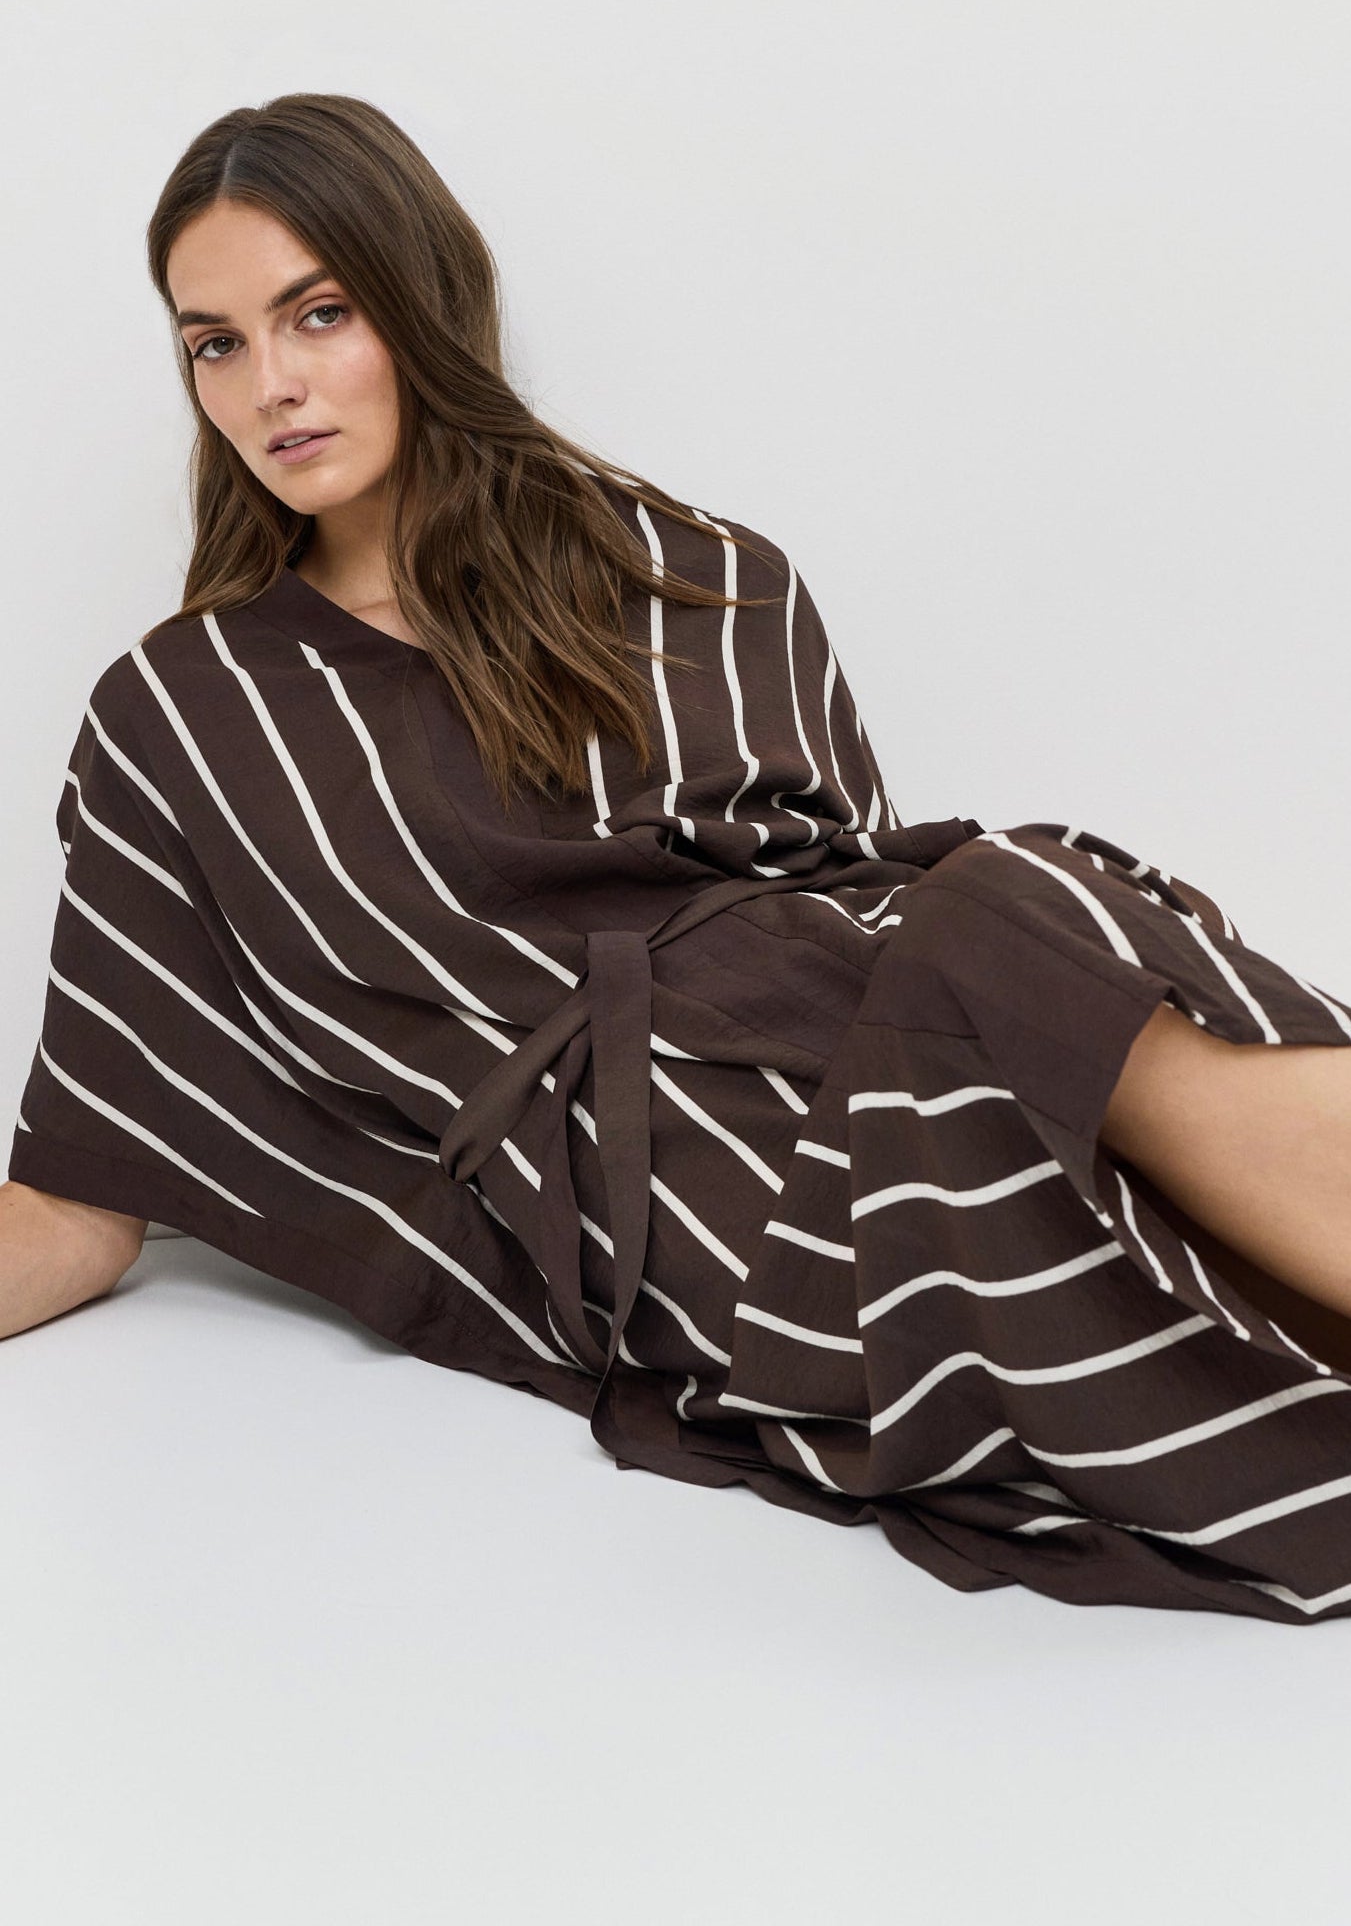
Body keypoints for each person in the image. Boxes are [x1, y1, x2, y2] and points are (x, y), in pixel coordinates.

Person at [7, 91, 1351, 1626]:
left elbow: (868, 930)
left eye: (318, 313)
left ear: (424, 304)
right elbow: (80, 1191)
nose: (273, 385)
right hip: (712, 1229)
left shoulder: (697, 580)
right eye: (218, 342)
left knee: (1013, 914)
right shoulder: (183, 716)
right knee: (1007, 920)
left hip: (926, 1104)